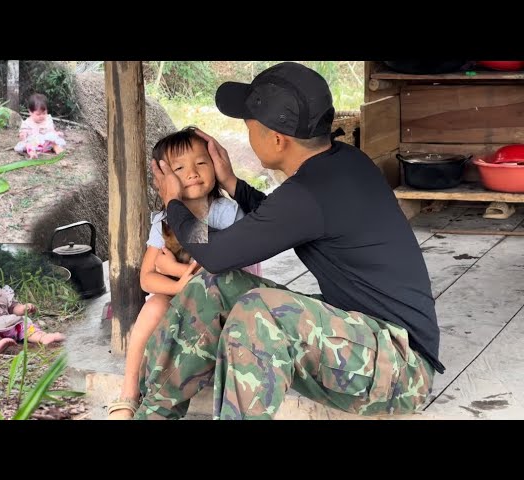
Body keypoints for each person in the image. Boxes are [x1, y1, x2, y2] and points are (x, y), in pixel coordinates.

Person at [135, 62, 445, 420]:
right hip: (361, 341)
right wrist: (233, 183)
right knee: (215, 286)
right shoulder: (342, 164)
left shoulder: (310, 192)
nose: (247, 133)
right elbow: (274, 220)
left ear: (277, 139)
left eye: (249, 126)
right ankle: (155, 414)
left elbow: (216, 253)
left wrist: (174, 202)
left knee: (259, 313)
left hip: (400, 370)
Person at [107, 127, 261, 419]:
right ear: (162, 180)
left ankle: (163, 403)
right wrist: (179, 284)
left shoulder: (226, 213)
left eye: (202, 163)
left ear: (216, 165)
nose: (192, 172)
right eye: (179, 168)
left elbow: (218, 264)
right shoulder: (164, 221)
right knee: (153, 305)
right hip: (185, 298)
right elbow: (146, 278)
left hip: (223, 305)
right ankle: (128, 392)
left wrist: (173, 268)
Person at [14, 93, 66, 159]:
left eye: (44, 113)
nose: (41, 116)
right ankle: (32, 154)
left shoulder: (47, 119)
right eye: (38, 114)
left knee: (52, 141)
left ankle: (56, 148)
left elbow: (51, 130)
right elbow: (23, 131)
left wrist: (55, 133)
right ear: (30, 112)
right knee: (28, 144)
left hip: (46, 142)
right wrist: (23, 134)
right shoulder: (27, 122)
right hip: (34, 142)